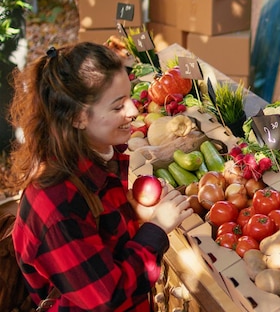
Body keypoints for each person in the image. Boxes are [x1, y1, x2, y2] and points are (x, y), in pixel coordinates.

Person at [6, 42, 193, 311]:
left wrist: (132, 212)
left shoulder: (97, 158)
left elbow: (103, 235)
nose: (132, 111)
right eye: (118, 106)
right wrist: (157, 229)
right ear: (78, 118)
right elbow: (109, 297)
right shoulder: (57, 205)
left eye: (128, 97)